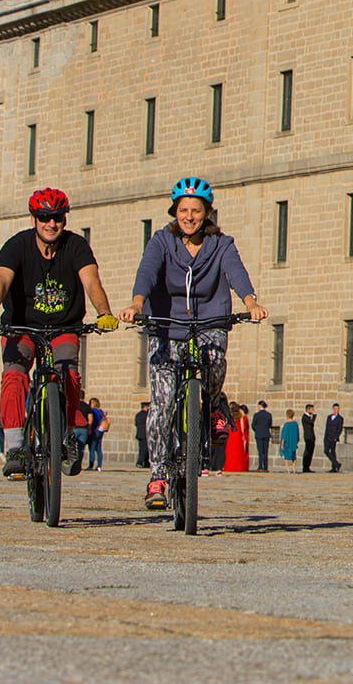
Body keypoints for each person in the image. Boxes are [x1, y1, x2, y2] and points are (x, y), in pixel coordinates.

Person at [118, 176, 267, 510]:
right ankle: (157, 476)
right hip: (166, 326)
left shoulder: (222, 244)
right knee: (162, 402)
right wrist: (137, 304)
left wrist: (250, 302)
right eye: (183, 210)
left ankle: (214, 405)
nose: (189, 216)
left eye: (195, 210)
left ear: (207, 212)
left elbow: (236, 272)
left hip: (209, 321)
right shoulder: (161, 241)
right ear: (175, 211)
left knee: (214, 359)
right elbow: (147, 272)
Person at [0, 188, 118, 482]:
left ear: (64, 219)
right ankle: (15, 449)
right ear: (34, 219)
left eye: (57, 218)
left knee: (69, 373)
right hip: (22, 328)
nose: (51, 224)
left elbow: (92, 282)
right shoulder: (16, 246)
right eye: (44, 218)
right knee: (13, 375)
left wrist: (104, 312)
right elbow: (1, 282)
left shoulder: (76, 246)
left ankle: (65, 435)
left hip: (63, 328)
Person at [225, 403, 251, 472]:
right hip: (238, 434)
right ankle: (238, 467)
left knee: (230, 452)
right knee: (238, 452)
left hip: (231, 433)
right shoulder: (240, 416)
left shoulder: (229, 416)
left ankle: (230, 467)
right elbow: (243, 427)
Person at [323, 403, 345, 473]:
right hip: (328, 437)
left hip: (333, 437)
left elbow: (339, 429)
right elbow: (327, 427)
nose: (336, 410)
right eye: (335, 409)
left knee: (333, 451)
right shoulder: (329, 417)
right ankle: (336, 463)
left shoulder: (340, 418)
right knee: (326, 451)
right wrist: (325, 436)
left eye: (338, 409)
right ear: (333, 409)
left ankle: (334, 467)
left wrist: (336, 437)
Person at [252, 399, 274, 472]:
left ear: (259, 406)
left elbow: (253, 425)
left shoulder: (256, 415)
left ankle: (260, 466)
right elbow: (270, 425)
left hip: (259, 435)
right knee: (265, 451)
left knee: (260, 451)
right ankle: (266, 467)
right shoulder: (269, 415)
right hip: (266, 434)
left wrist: (257, 430)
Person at [87, 397, 107, 471]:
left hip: (95, 431)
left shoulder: (93, 411)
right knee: (99, 449)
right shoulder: (101, 411)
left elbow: (93, 422)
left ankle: (91, 465)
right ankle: (99, 466)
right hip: (100, 431)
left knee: (92, 449)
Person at [300, 404, 321, 473]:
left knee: (311, 452)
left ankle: (308, 466)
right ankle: (305, 467)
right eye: (312, 410)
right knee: (307, 452)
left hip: (311, 437)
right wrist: (314, 415)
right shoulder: (305, 417)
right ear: (308, 410)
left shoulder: (309, 417)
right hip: (308, 437)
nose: (313, 411)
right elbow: (311, 422)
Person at [134, 402, 150, 470]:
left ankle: (146, 462)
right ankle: (140, 462)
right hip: (145, 434)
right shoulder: (146, 415)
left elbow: (136, 424)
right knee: (144, 450)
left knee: (142, 449)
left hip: (140, 434)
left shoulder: (138, 415)